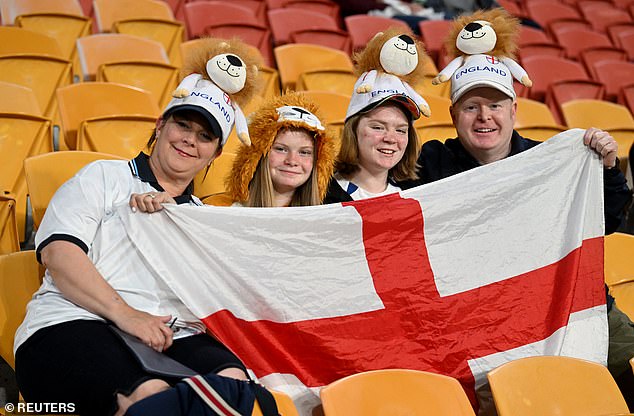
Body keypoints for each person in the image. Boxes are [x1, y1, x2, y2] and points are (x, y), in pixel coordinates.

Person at [403, 53, 634, 409]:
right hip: (487, 325)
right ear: (453, 116)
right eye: (471, 107)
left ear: (513, 111)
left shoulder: (551, 161)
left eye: (495, 104)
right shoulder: (431, 163)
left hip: (575, 309)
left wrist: (604, 169)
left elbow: (608, 221)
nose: (485, 117)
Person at [14, 77, 251, 415]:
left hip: (169, 334)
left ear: (216, 152)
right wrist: (129, 315)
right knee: (150, 394)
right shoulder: (102, 177)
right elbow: (58, 252)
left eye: (204, 136)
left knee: (235, 383)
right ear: (160, 125)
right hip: (71, 322)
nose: (189, 140)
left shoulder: (202, 218)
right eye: (182, 124)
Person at [207, 92, 336, 207]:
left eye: (304, 152)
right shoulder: (218, 208)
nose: (292, 161)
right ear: (257, 156)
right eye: (281, 149)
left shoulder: (326, 220)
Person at [324, 73, 424, 203]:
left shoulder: (418, 194)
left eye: (400, 130)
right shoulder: (322, 195)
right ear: (353, 130)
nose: (391, 139)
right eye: (378, 127)